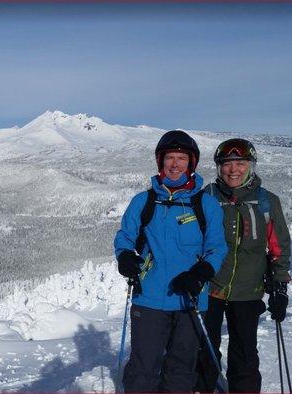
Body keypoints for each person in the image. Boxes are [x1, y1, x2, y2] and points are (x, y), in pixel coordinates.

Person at [114, 130, 228, 393]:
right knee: (143, 367)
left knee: (181, 367)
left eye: (181, 158)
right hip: (150, 297)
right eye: (170, 158)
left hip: (189, 297)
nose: (175, 164)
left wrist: (201, 272)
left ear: (191, 163)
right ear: (160, 162)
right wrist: (125, 257)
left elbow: (217, 247)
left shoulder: (205, 204)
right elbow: (125, 237)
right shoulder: (144, 201)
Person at [196, 138, 291, 393]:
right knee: (203, 348)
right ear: (218, 167)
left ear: (251, 166)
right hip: (210, 289)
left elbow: (278, 246)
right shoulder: (206, 198)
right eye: (227, 164)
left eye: (240, 163)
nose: (233, 170)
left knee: (245, 353)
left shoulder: (266, 201)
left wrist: (280, 285)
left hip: (248, 290)